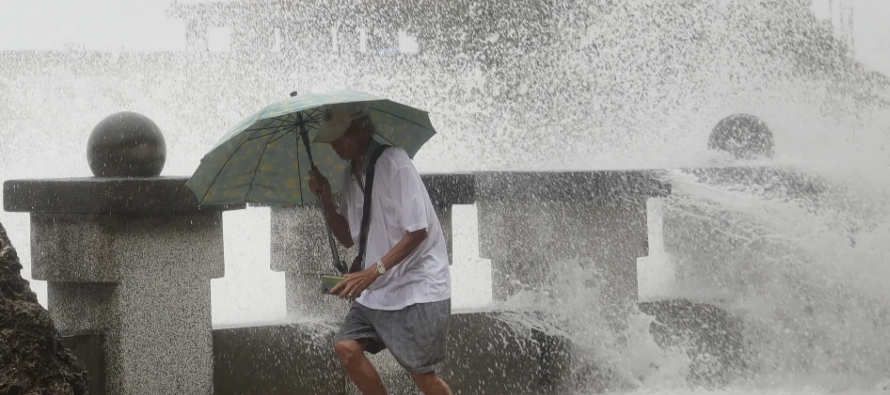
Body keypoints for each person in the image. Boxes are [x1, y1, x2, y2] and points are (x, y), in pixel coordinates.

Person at [308, 102, 454, 395]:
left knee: (423, 377)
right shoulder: (348, 178)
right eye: (332, 137)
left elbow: (418, 231)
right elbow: (348, 238)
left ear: (362, 128)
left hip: (418, 286)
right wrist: (325, 196)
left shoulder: (395, 162)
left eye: (340, 134)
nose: (335, 143)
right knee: (346, 347)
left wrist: (372, 272)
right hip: (379, 288)